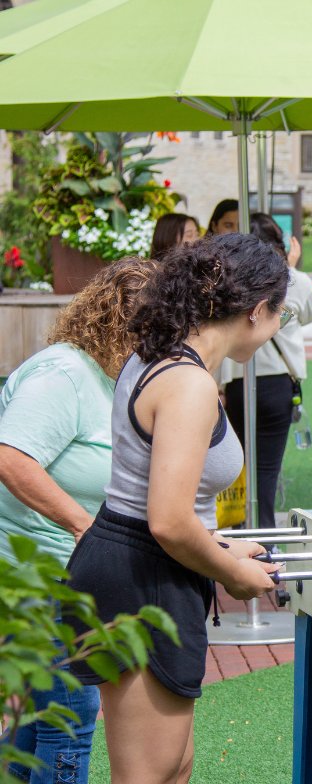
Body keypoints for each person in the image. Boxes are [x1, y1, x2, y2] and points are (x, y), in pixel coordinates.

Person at [66, 234, 287, 783]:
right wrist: (230, 570)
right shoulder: (187, 382)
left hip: (136, 561)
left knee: (173, 766)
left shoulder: (160, 358)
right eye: (282, 313)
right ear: (257, 311)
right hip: (142, 573)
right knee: (149, 772)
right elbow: (166, 520)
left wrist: (217, 545)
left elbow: (159, 502)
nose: (280, 328)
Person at [0, 258, 154, 784]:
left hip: (57, 571)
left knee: (38, 714)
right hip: (35, 571)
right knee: (72, 711)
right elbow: (12, 458)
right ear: (123, 321)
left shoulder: (109, 376)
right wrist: (84, 529)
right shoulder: (64, 372)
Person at [221, 213, 312, 527]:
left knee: (239, 465)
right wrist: (291, 264)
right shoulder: (294, 280)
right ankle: (263, 538)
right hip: (277, 382)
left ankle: (240, 531)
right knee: (266, 470)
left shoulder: (230, 278)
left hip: (236, 380)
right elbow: (309, 316)